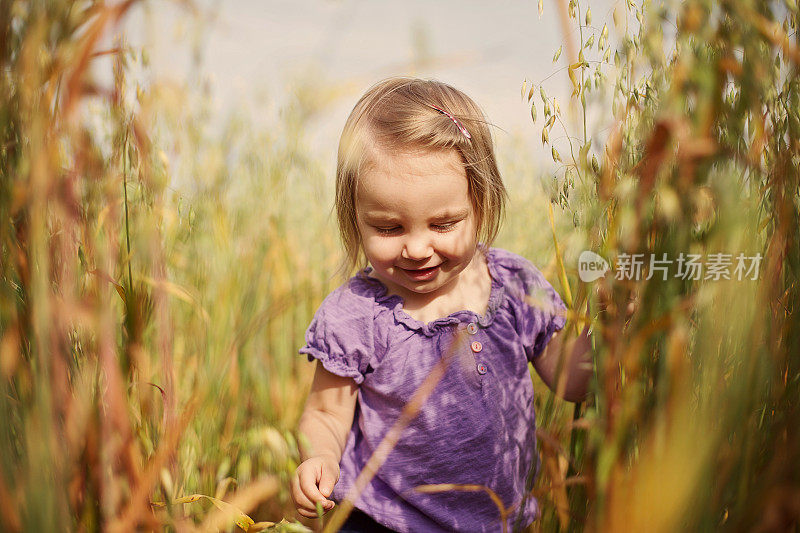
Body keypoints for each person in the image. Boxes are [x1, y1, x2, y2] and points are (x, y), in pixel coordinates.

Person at [290, 77, 592, 532]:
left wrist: (610, 335)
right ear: (355, 216)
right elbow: (326, 413)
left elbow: (572, 380)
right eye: (390, 228)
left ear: (481, 204)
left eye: (443, 223)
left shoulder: (513, 287)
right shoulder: (357, 313)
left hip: (501, 523)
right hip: (382, 521)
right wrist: (319, 459)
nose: (416, 248)